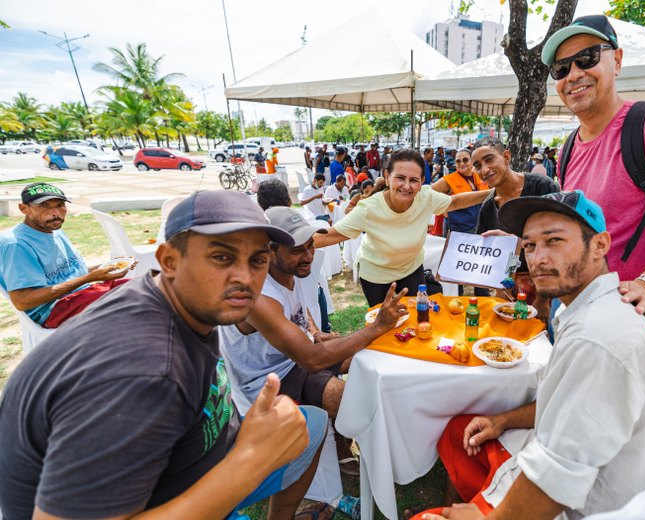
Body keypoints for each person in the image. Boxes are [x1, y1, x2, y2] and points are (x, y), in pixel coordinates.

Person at [0, 190, 327, 520]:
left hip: (183, 462)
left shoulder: (175, 298)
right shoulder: (142, 374)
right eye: (222, 258)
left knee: (309, 424)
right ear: (169, 261)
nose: (245, 278)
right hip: (145, 495)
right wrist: (250, 460)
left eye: (257, 260)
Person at [411, 191, 645, 520]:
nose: (537, 259)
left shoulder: (598, 336)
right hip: (568, 468)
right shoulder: (591, 308)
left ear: (600, 245)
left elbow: (558, 478)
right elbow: (564, 401)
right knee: (459, 430)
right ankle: (484, 493)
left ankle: (483, 503)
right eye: (529, 246)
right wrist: (503, 421)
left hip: (595, 504)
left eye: (553, 240)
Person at [544, 14, 645, 337]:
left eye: (587, 59)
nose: (573, 75)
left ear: (617, 60)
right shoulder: (568, 147)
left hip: (627, 318)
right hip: (568, 309)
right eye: (561, 69)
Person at [221, 206, 408, 417]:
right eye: (297, 250)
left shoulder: (290, 270)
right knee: (363, 403)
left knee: (375, 357)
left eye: (310, 246)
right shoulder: (256, 294)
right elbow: (311, 359)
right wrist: (378, 326)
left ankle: (340, 441)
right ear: (269, 253)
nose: (308, 256)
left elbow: (299, 307)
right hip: (271, 381)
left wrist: (312, 330)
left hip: (297, 360)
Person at [313, 148, 490, 306]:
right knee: (383, 324)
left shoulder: (426, 197)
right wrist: (291, 245)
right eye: (400, 178)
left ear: (422, 181)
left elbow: (454, 201)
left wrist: (492, 193)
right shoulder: (368, 209)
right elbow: (329, 235)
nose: (406, 186)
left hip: (411, 269)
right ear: (387, 177)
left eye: (414, 180)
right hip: (376, 274)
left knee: (419, 314)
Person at [0, 182, 134, 329]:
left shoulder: (54, 230)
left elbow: (69, 273)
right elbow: (22, 301)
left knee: (149, 286)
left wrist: (109, 266)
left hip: (83, 294)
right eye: (44, 206)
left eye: (60, 205)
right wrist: (90, 278)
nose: (55, 213)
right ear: (24, 208)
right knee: (133, 303)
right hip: (54, 310)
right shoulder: (16, 244)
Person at [471, 137, 558, 300]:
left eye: (489, 159)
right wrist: (487, 300)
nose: (484, 170)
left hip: (548, 289)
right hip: (508, 293)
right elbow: (482, 258)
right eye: (477, 166)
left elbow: (558, 242)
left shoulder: (542, 187)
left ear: (506, 157)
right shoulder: (487, 208)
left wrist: (544, 299)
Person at [431, 148, 489, 235]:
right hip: (458, 230)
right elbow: (426, 194)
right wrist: (443, 209)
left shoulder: (479, 176)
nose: (462, 163)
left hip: (479, 229)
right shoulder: (448, 180)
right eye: (458, 161)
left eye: (465, 160)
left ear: (472, 161)